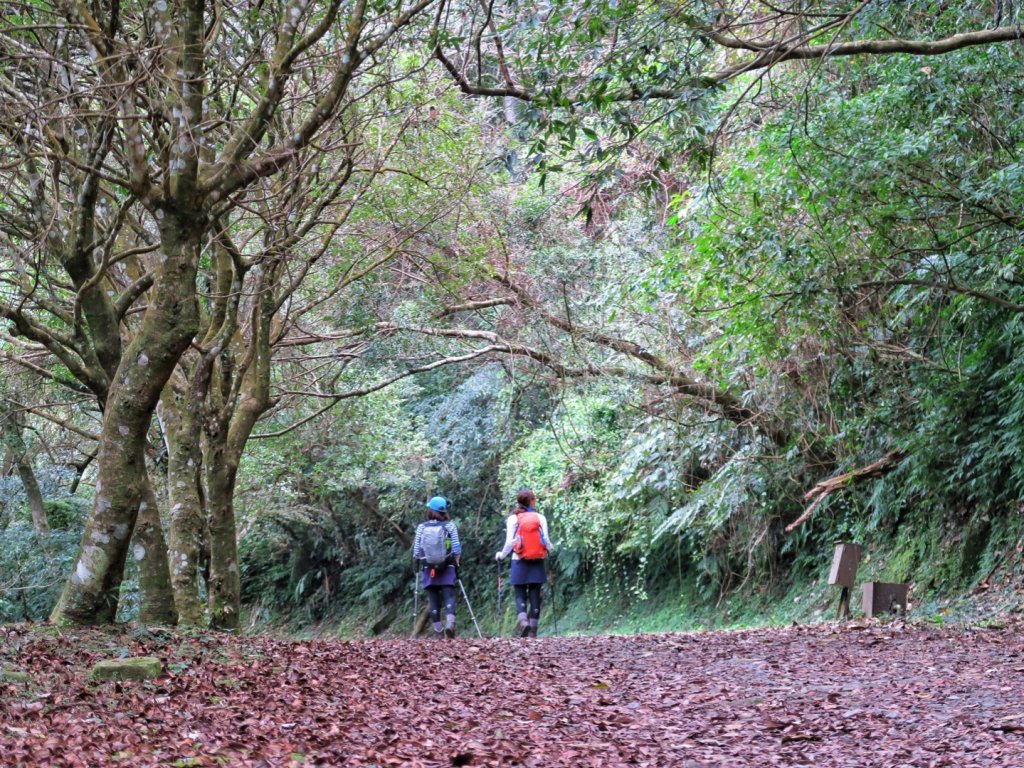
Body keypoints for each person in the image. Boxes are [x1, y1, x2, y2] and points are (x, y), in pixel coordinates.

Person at [495, 488, 552, 637]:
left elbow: (510, 542)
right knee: (535, 594)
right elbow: (546, 541)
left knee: (519, 594)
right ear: (532, 501)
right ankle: (533, 632)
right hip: (537, 560)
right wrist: (551, 549)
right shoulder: (540, 517)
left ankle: (523, 622)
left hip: (518, 560)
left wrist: (501, 555)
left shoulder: (513, 519)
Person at [413, 496, 461, 638]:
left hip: (429, 568)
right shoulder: (449, 526)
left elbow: (416, 551)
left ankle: (438, 633)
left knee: (433, 600)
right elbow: (457, 547)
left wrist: (419, 563)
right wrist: (456, 562)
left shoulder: (422, 527)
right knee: (449, 596)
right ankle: (450, 624)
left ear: (430, 510)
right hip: (448, 565)